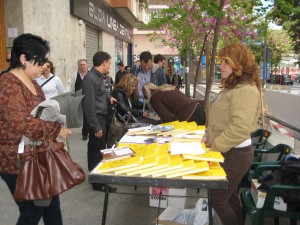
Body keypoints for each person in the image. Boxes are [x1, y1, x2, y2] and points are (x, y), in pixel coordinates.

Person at [0, 33, 71, 225]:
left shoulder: (33, 83)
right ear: (23, 59)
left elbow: (43, 112)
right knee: (32, 211)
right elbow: (23, 123)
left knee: (51, 204)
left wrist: (59, 123)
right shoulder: (8, 84)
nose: (43, 67)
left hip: (37, 155)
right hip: (16, 160)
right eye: (39, 62)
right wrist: (57, 130)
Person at [202, 44, 261, 225]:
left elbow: (239, 128)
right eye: (221, 62)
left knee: (218, 199)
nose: (222, 66)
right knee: (229, 196)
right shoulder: (234, 87)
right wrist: (207, 135)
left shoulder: (245, 90)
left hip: (235, 153)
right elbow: (219, 118)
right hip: (228, 151)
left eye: (226, 62)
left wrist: (216, 146)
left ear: (239, 63)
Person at [82, 51, 117, 192]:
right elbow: (89, 105)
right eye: (109, 63)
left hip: (102, 117)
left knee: (99, 149)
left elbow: (99, 93)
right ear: (104, 63)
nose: (109, 66)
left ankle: (97, 177)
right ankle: (98, 182)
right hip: (97, 119)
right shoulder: (90, 79)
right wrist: (96, 126)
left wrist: (109, 98)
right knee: (97, 151)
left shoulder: (98, 77)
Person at [75, 59, 89, 140]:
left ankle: (85, 133)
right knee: (83, 115)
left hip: (89, 98)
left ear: (87, 65)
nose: (82, 66)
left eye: (83, 64)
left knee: (87, 115)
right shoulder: (75, 75)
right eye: (80, 65)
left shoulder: (91, 74)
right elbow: (70, 86)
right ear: (78, 66)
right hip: (78, 98)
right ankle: (85, 132)